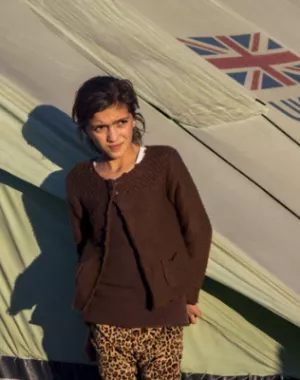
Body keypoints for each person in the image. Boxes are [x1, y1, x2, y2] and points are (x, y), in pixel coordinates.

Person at [66, 76, 212, 379]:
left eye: (120, 122)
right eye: (100, 127)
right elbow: (84, 242)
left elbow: (198, 229)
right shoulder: (80, 179)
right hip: (107, 316)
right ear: (86, 130)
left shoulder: (163, 162)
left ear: (133, 118)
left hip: (162, 312)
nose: (113, 136)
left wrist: (189, 294)